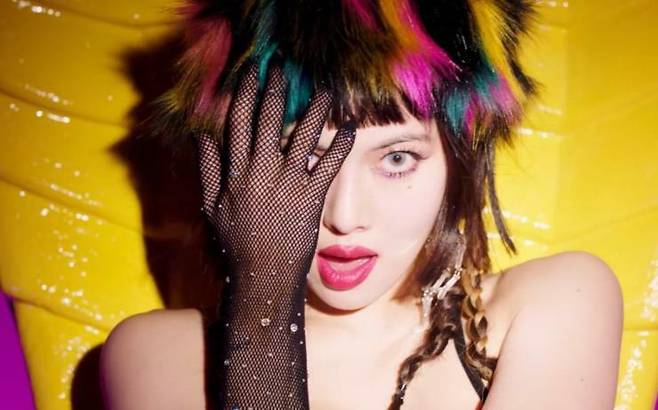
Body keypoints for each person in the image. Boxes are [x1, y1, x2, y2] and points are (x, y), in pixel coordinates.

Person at [99, 0, 624, 409]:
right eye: (301, 156)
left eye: (396, 158)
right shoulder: (160, 356)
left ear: (455, 160)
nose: (344, 216)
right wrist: (263, 303)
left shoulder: (554, 302)